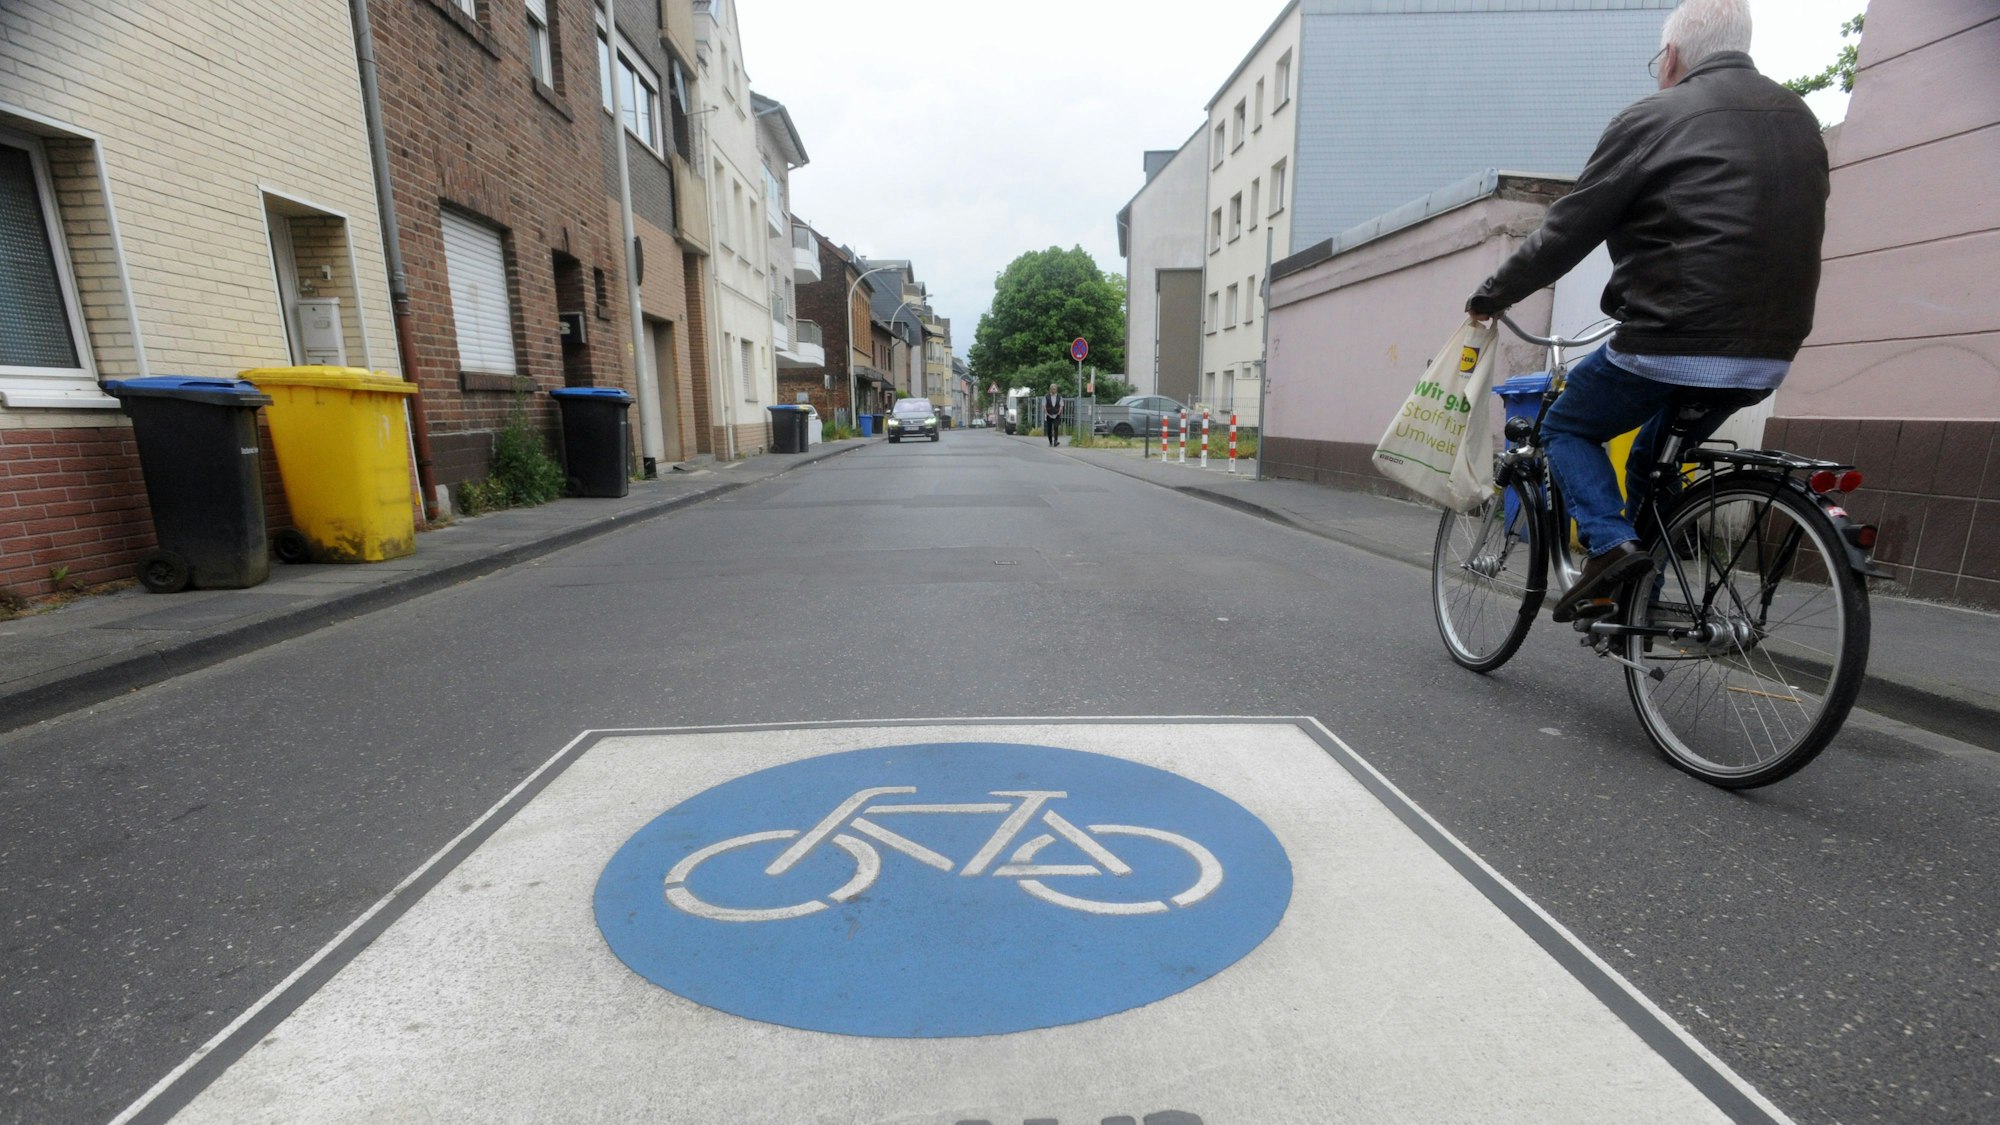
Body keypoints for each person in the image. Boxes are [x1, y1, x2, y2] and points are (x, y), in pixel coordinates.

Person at [1465, 0, 1828, 623]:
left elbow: (1567, 230)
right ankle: (1637, 605)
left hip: (1671, 338)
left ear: (1673, 55)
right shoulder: (1799, 117)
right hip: (1768, 353)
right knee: (1648, 463)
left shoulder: (1654, 117)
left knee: (1566, 427)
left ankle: (1609, 548)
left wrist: (1492, 296)